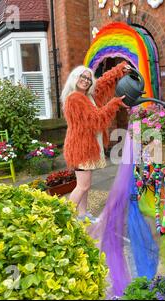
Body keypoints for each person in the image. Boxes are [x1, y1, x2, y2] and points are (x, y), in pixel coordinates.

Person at [61, 61, 131, 222]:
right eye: (82, 77)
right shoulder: (74, 99)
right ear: (74, 78)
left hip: (88, 148)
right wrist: (114, 103)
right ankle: (64, 218)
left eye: (88, 78)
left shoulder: (88, 96)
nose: (86, 80)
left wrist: (120, 69)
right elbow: (95, 120)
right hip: (81, 149)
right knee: (83, 186)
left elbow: (103, 83)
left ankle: (82, 215)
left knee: (85, 185)